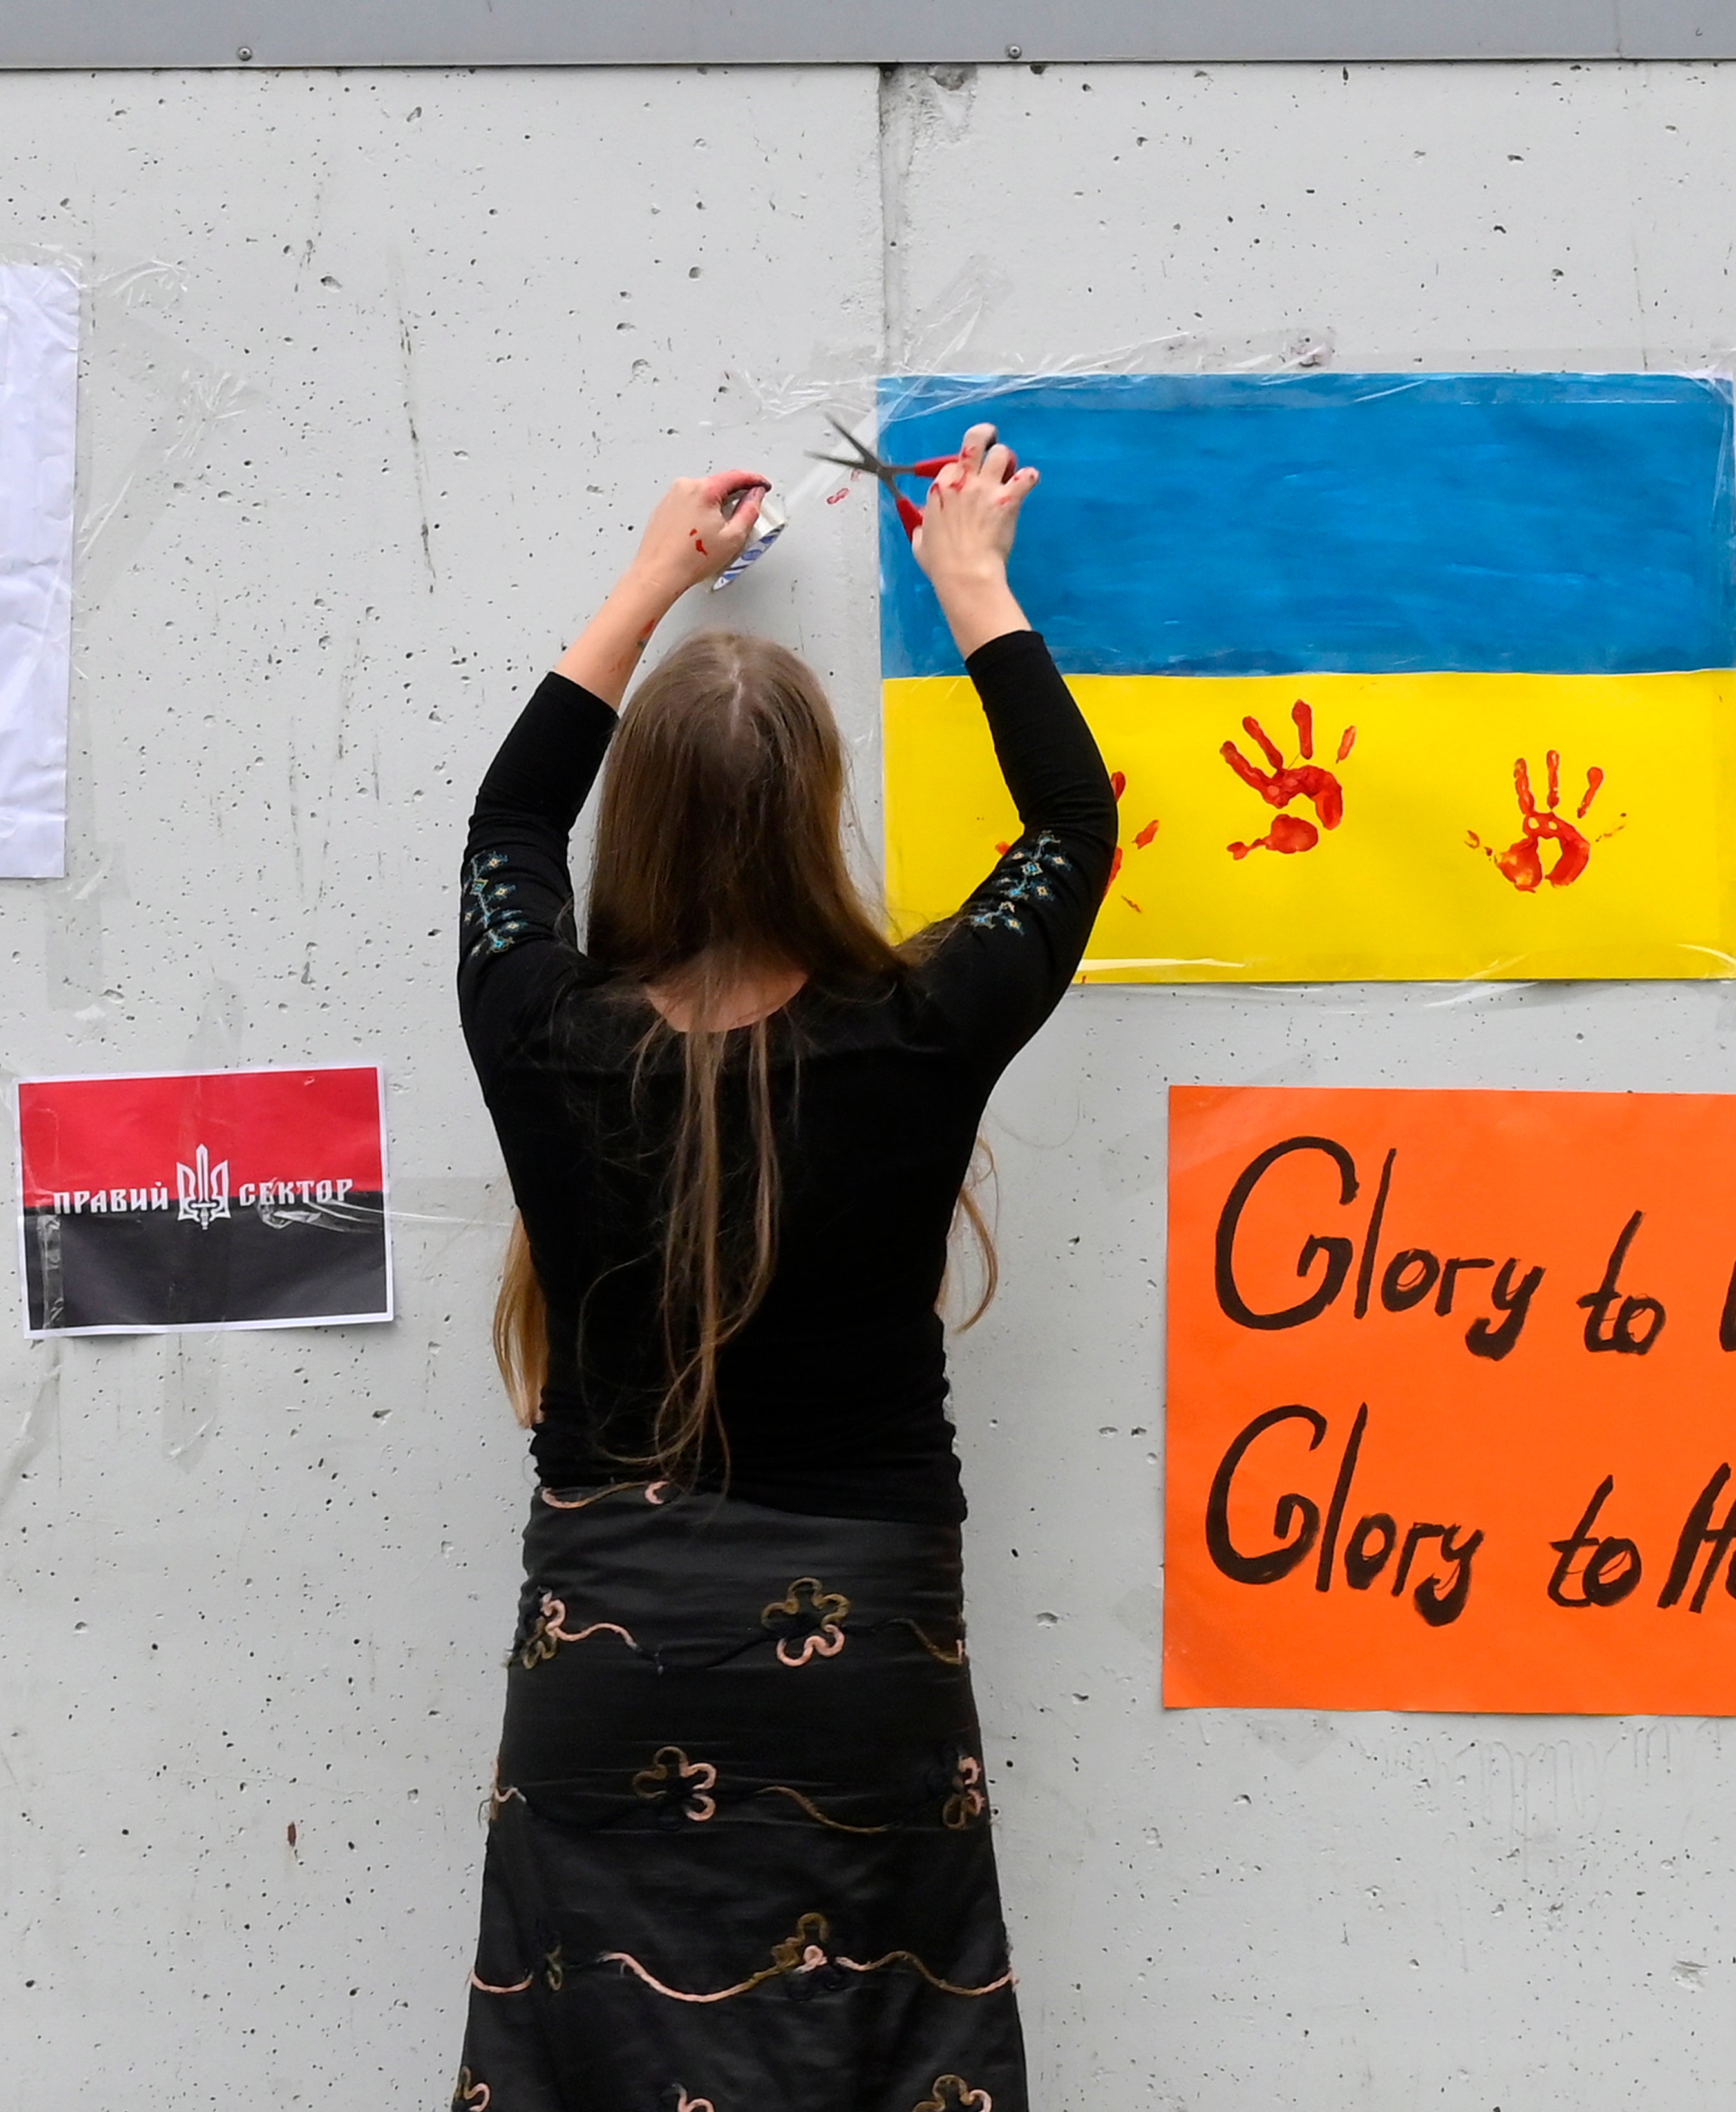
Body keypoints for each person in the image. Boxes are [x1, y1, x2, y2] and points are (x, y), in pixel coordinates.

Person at [451, 425, 1117, 2110]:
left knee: (586, 2057)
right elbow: (1072, 828)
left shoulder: (543, 1028)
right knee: (881, 2058)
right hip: (865, 1661)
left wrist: (649, 580)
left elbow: (511, 823)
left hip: (606, 1649)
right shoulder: (916, 1028)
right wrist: (971, 576)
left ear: (644, 834)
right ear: (821, 808)